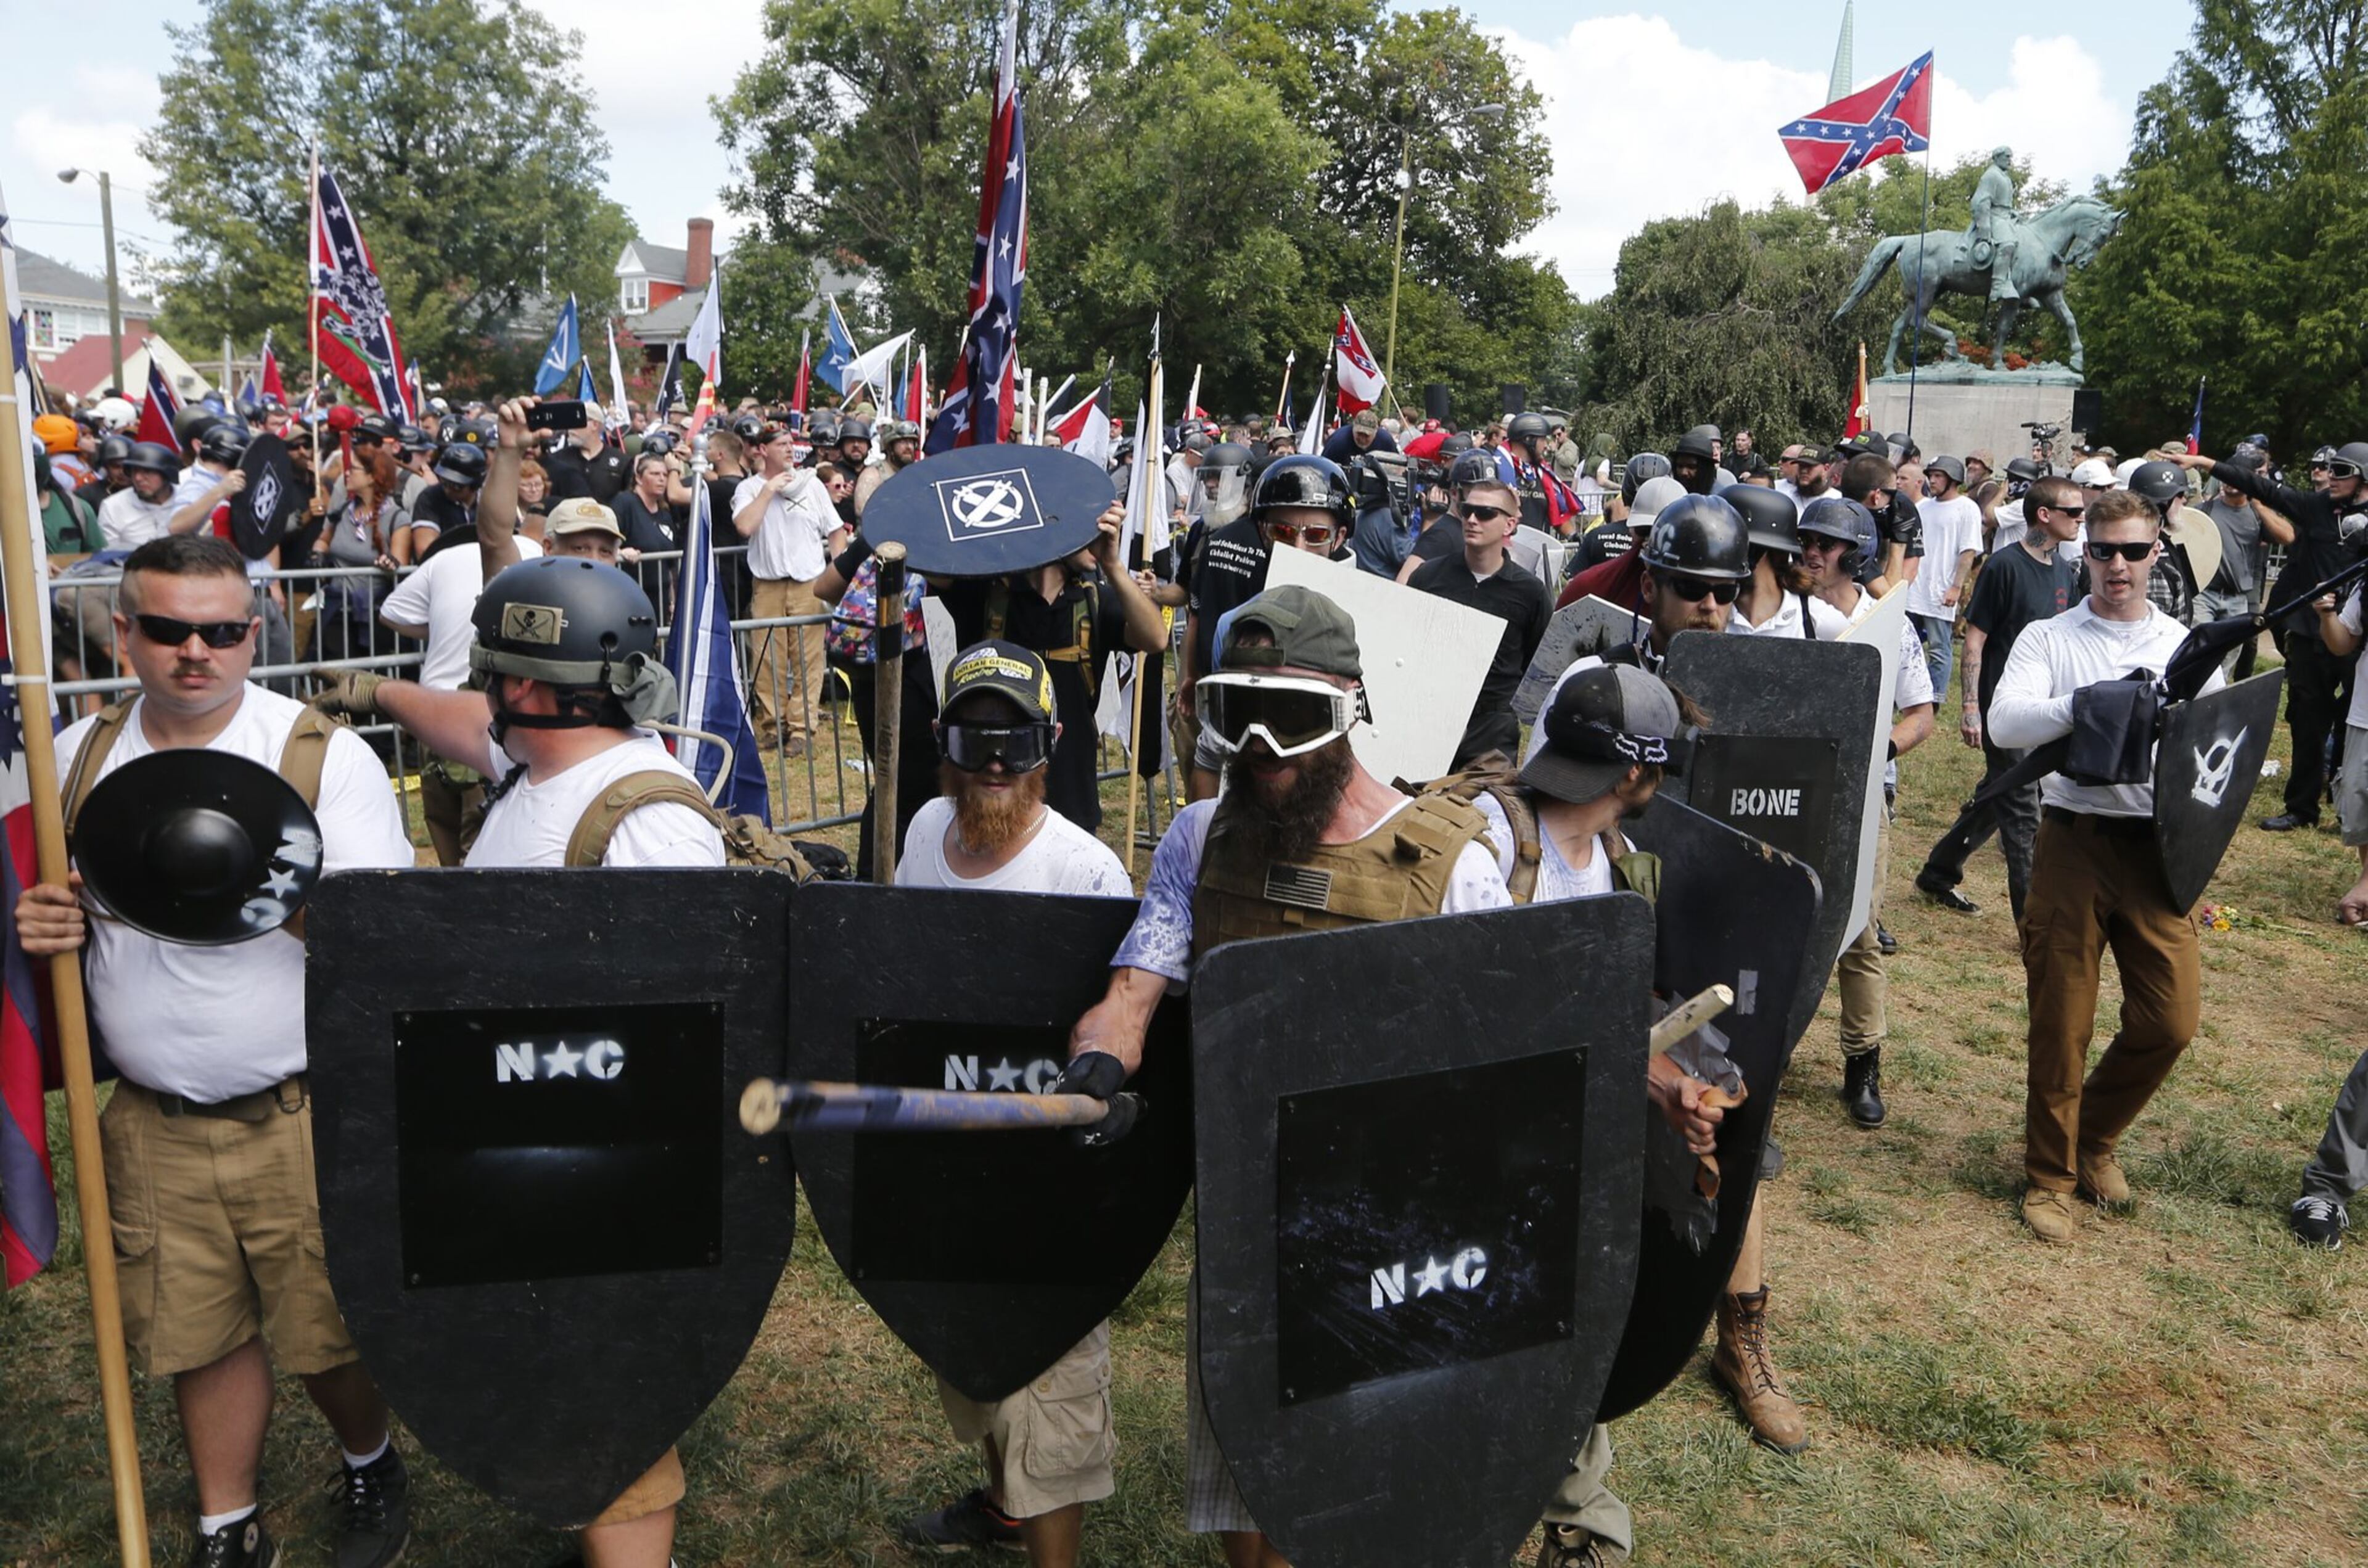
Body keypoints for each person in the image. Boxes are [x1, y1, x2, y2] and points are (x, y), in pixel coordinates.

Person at [1064, 584, 1510, 1567]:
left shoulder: (1455, 869)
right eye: (1240, 714)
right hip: (1247, 1211)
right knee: (1242, 1466)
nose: (1263, 748)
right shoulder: (1199, 836)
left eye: (1292, 717)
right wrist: (1096, 1060)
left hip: (1391, 1226)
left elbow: (1496, 1073)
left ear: (1349, 711)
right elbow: (1137, 984)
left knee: (1359, 1477)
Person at [315, 557, 726, 1568]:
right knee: (548, 1370)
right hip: (520, 1145)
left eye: (498, 670)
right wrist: (375, 692)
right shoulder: (537, 764)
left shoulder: (650, 820)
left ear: (536, 688)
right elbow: (467, 723)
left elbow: (676, 1040)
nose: (486, 689)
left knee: (608, 1388)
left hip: (600, 1173)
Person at [15, 535, 417, 1568]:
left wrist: (256, 884)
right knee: (196, 1327)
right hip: (152, 1114)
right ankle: (226, 1524)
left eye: (224, 630)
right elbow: (38, 898)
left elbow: (382, 941)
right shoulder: (73, 757)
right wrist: (42, 918)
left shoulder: (320, 756)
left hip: (298, 1109)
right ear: (125, 632)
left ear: (254, 631)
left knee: (325, 1328)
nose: (197, 651)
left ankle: (369, 1455)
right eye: (168, 629)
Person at [1460, 663, 1723, 1568]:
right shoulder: (1488, 844)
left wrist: (1666, 1086)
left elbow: (1605, 1022)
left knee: (1561, 1328)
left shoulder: (1614, 860)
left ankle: (1579, 1519)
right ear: (1638, 773)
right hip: (1478, 1151)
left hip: (1561, 1151)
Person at [897, 643, 1132, 1562]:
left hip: (1044, 1184)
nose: (996, 762)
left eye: (1017, 740)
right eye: (975, 738)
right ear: (940, 740)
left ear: (1053, 741)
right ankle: (1001, 1508)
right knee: (975, 1362)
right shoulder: (925, 831)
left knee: (1053, 1388)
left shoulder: (1088, 875)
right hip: (952, 1161)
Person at [1988, 488, 2226, 1244]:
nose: (2117, 565)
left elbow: (2218, 752)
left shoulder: (2185, 646)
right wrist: (2093, 704)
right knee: (2062, 1022)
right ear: (2081, 551)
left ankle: (2092, 1134)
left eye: (2132, 550)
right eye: (2102, 550)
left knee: (2171, 1019)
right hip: (2074, 840)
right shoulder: (2050, 637)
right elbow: (2006, 721)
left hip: (2157, 849)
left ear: (2157, 553)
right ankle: (2050, 1175)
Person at [1800, 499, 1938, 1129]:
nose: (1812, 551)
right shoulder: (1786, 614)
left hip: (1861, 790)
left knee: (1859, 928)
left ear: (1853, 553)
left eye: (1825, 543)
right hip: (1788, 783)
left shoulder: (1885, 624)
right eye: (1807, 540)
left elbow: (1921, 715)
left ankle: (1863, 1062)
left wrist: (1877, 749)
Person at [380, 398, 549, 863]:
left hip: (456, 709)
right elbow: (494, 538)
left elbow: (391, 614)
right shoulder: (518, 557)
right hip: (472, 712)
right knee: (473, 844)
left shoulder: (514, 558)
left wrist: (436, 629)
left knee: (461, 846)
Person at [932, 501, 1162, 831]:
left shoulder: (1092, 599)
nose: (1099, 536)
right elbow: (931, 560)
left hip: (1072, 798)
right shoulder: (988, 593)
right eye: (1088, 527)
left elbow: (1155, 639)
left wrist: (1112, 564)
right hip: (994, 788)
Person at [2174, 439, 2364, 830]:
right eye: (2331, 469)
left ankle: (2347, 808)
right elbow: (2261, 487)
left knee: (2355, 723)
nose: (2331, 477)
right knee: (2307, 721)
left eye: (2342, 471)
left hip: (2358, 639)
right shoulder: (2315, 507)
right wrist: (2205, 462)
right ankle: (2302, 808)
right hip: (2311, 632)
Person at [1915, 475, 2082, 920]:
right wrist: (1971, 708)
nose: (2081, 519)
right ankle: (2034, 927)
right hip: (2005, 710)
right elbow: (1974, 641)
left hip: (2045, 710)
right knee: (2025, 815)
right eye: (2073, 512)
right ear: (2044, 515)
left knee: (1999, 793)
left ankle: (1938, 872)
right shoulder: (2004, 566)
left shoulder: (2064, 570)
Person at [1180, 455, 1354, 800]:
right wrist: (1206, 825)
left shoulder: (1368, 617)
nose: (1299, 548)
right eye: (1283, 532)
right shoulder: (1234, 626)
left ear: (1339, 537)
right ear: (1263, 532)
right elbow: (1213, 751)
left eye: (1316, 535)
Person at [1406, 477, 1552, 765]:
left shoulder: (1530, 592)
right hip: (1428, 714)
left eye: (1485, 513)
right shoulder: (1428, 577)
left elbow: (1538, 663)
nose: (1472, 520)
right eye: (1466, 510)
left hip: (1493, 725)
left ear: (1509, 525)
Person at [733, 422, 845, 754]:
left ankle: (801, 728)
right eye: (780, 444)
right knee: (767, 658)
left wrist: (837, 569)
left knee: (808, 660)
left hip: (808, 584)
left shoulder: (812, 486)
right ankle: (772, 725)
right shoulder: (749, 489)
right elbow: (745, 526)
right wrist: (768, 491)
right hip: (767, 585)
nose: (788, 449)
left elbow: (836, 530)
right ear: (762, 450)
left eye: (790, 443)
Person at [2193, 449, 2289, 679]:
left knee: (2226, 664)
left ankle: (2215, 698)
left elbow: (2288, 537)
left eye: (2236, 476)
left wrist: (2259, 505)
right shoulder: (2205, 511)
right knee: (2197, 655)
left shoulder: (2257, 515)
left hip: (2238, 599)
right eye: (2226, 476)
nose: (2229, 481)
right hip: (2204, 595)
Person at [1910, 456, 1983, 697]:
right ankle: (1908, 695)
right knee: (1907, 645)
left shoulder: (1967, 508)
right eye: (1931, 475)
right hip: (1915, 588)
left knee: (1939, 648)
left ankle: (1935, 698)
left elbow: (1968, 551)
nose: (1932, 480)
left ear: (1953, 480)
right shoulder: (1922, 507)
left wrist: (1956, 587)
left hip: (1941, 590)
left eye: (1938, 476)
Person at [542, 406, 630, 503]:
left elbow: (628, 500)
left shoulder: (622, 461)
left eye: (576, 422)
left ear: (595, 425)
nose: (570, 429)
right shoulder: (557, 459)